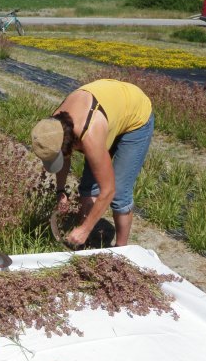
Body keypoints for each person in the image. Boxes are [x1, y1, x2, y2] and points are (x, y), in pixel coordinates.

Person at [30, 79, 154, 248]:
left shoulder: (89, 135)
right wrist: (60, 192)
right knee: (88, 189)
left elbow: (108, 190)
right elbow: (64, 158)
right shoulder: (53, 127)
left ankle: (122, 252)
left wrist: (85, 229)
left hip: (135, 117)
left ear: (71, 143)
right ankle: (82, 244)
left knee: (120, 194)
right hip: (108, 111)